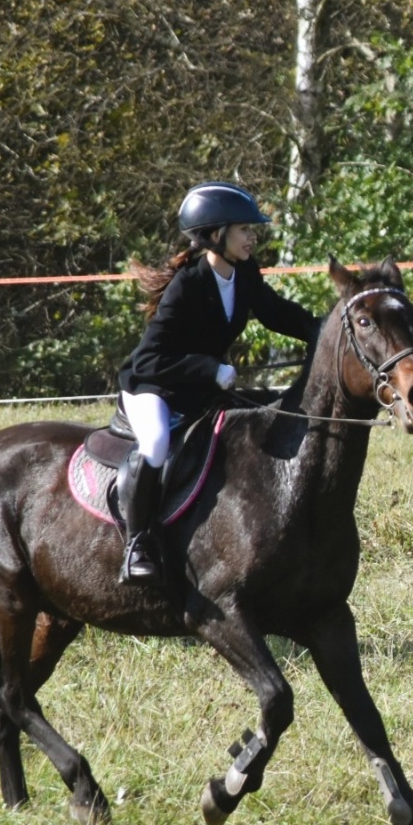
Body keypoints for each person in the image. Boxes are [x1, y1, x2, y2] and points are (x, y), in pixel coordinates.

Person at [116, 181, 320, 586]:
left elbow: (275, 312)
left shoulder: (243, 273)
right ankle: (136, 545)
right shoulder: (186, 285)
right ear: (215, 235)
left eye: (251, 229)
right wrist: (209, 369)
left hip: (200, 392)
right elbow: (150, 358)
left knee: (266, 414)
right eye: (243, 229)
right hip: (152, 387)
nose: (252, 236)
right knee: (155, 443)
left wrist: (321, 330)